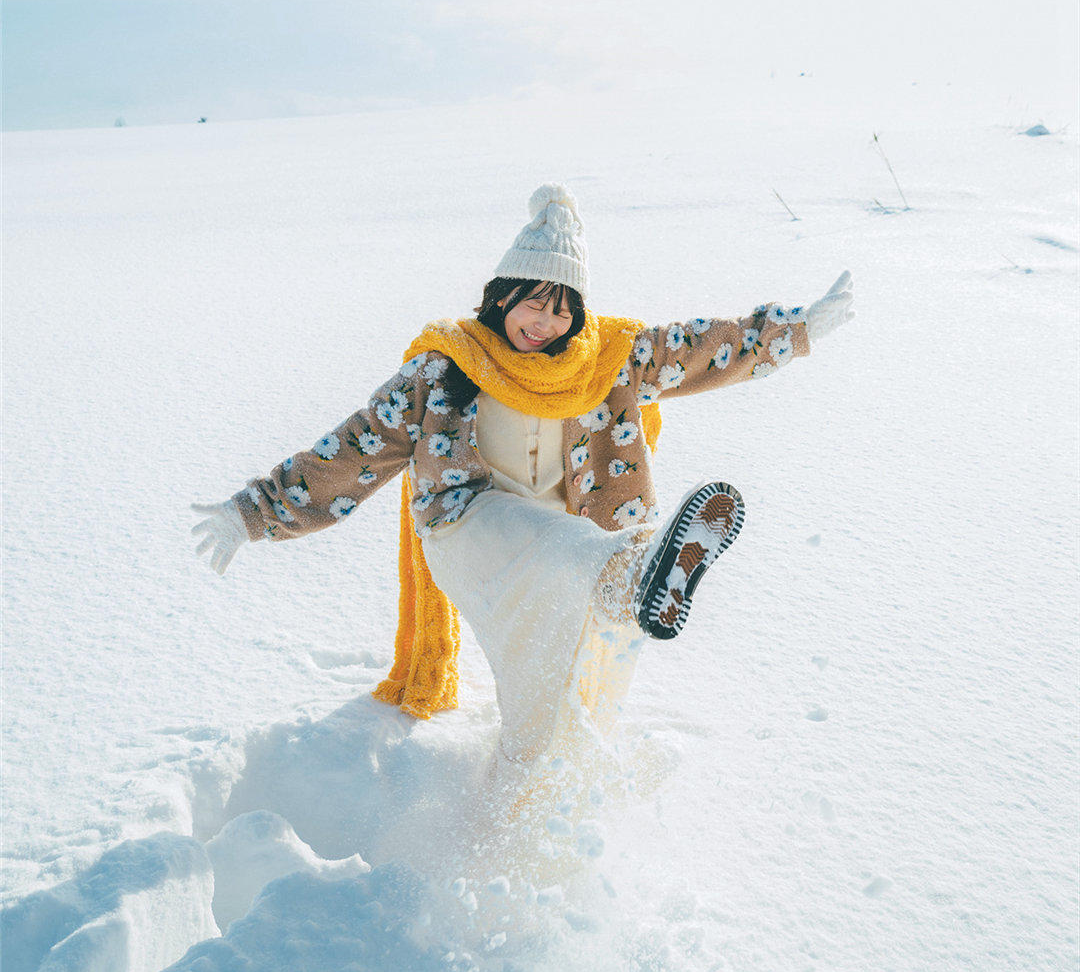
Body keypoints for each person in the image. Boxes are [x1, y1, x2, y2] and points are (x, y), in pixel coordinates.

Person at [191, 184, 854, 812]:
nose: (547, 320)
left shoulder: (609, 357)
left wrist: (795, 331)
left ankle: (526, 810)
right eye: (534, 301)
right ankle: (632, 577)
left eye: (563, 307)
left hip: (573, 539)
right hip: (468, 529)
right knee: (565, 555)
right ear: (502, 296)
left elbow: (704, 347)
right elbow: (355, 448)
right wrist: (252, 511)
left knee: (554, 685)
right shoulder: (446, 366)